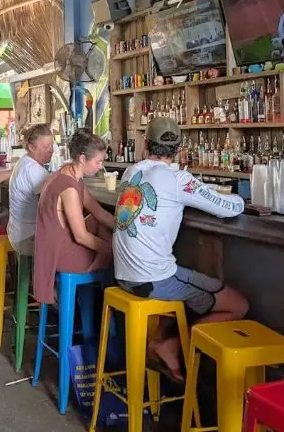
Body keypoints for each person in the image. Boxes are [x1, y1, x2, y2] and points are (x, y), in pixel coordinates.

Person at [114, 117, 248, 381]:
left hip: (122, 276)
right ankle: (169, 348)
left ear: (145, 145)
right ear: (178, 149)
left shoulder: (131, 172)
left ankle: (167, 345)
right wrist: (238, 197)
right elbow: (230, 208)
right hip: (151, 278)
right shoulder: (178, 179)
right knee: (238, 305)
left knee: (179, 295)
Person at [33, 128, 115, 304]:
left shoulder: (69, 174)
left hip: (57, 245)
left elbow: (99, 212)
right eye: (98, 162)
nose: (101, 167)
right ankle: (107, 320)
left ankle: (97, 316)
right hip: (59, 255)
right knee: (116, 258)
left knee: (97, 222)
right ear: (83, 159)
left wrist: (122, 227)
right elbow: (81, 236)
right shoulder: (69, 188)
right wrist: (112, 248)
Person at [7, 124, 53, 256]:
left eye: (51, 145)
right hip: (28, 238)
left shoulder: (24, 161)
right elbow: (48, 208)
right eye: (45, 147)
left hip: (17, 233)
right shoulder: (34, 170)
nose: (51, 150)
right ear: (31, 147)